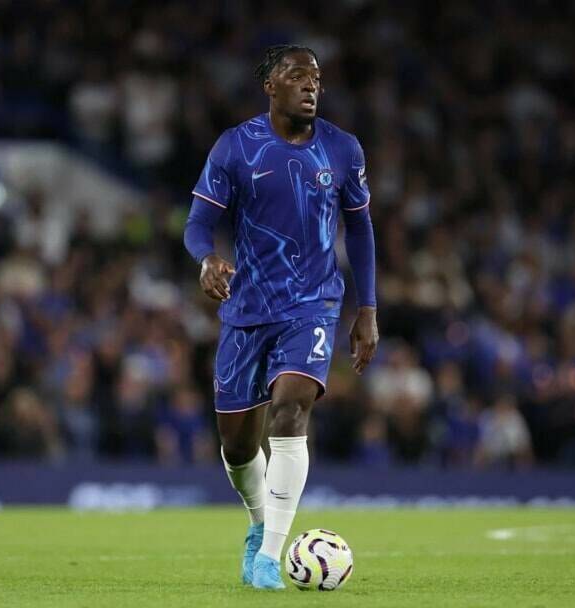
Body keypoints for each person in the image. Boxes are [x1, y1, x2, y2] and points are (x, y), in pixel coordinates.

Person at [184, 44, 378, 590]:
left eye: (315, 77)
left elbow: (360, 229)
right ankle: (258, 524)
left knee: (291, 409)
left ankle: (270, 556)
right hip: (247, 307)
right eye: (296, 76)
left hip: (313, 304)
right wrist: (207, 259)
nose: (310, 85)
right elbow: (198, 223)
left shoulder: (343, 149)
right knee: (237, 445)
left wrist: (367, 308)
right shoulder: (236, 146)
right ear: (270, 85)